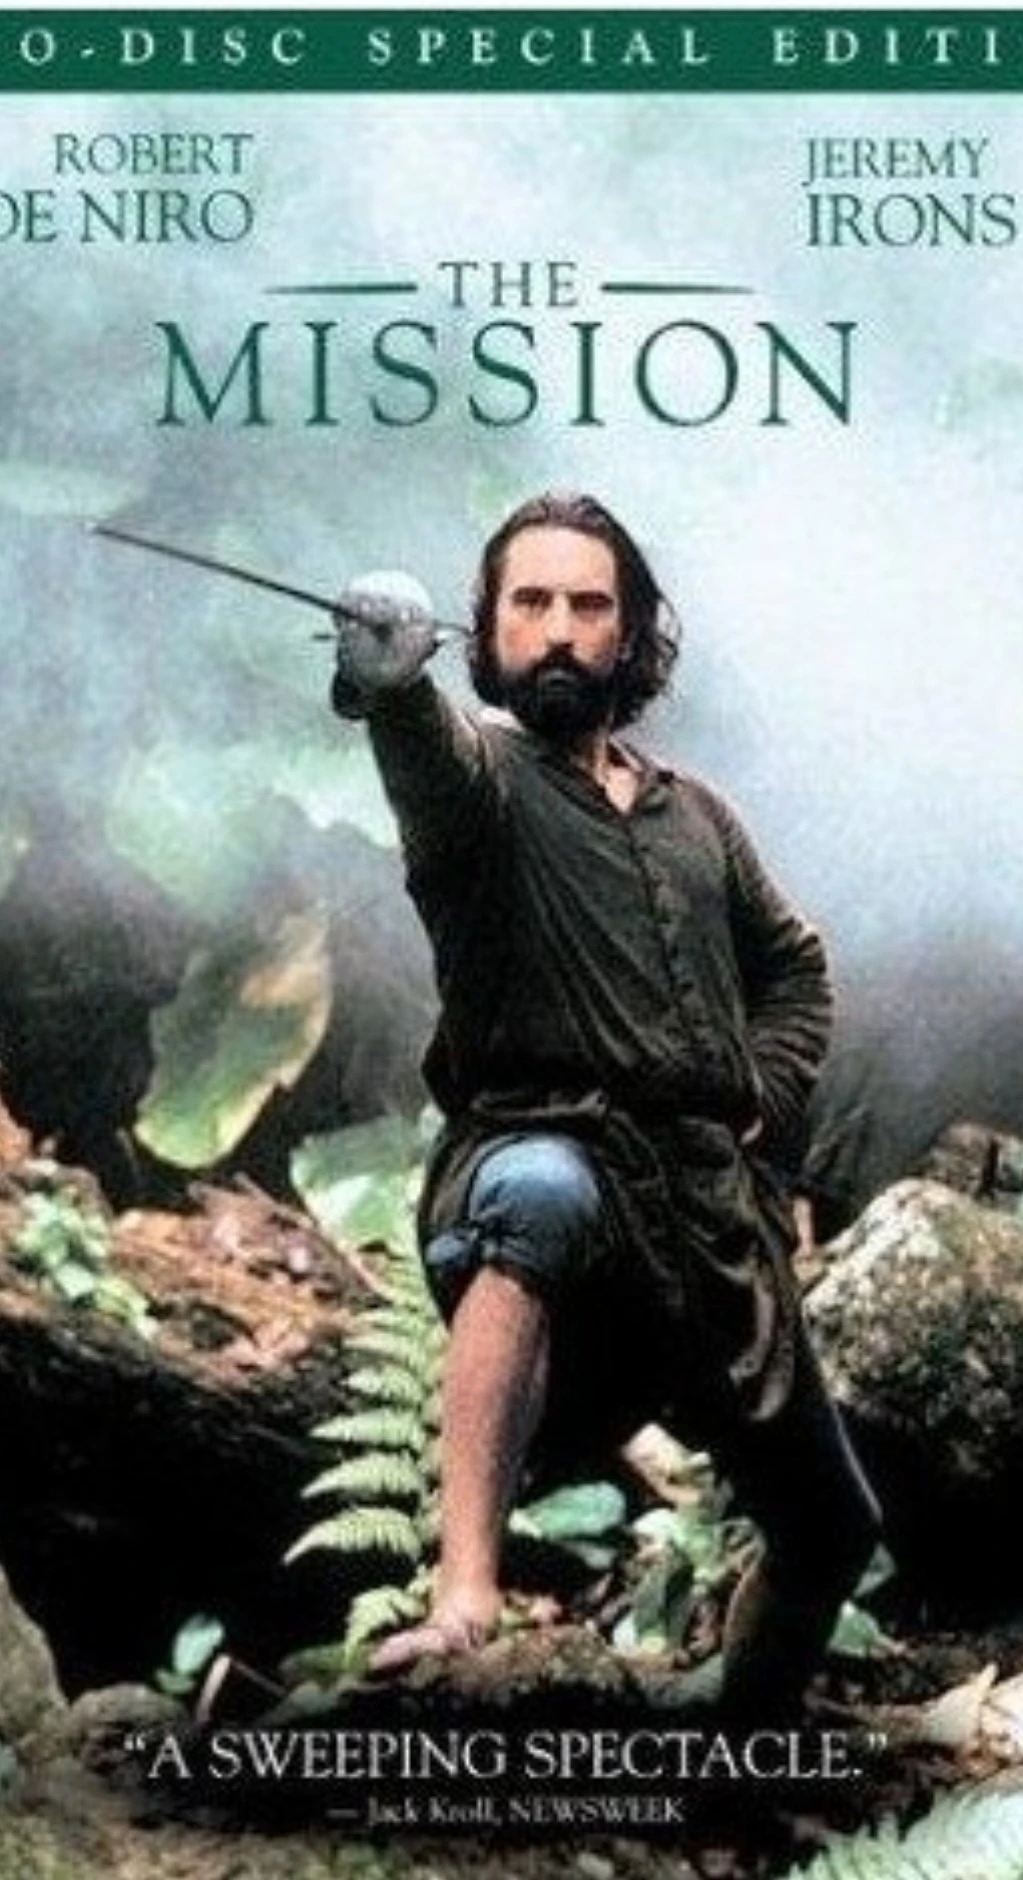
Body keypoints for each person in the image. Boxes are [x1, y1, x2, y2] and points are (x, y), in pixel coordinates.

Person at [330, 491, 880, 1718]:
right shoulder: (479, 782)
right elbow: (421, 745)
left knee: (832, 1528)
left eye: (590, 604)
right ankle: (465, 1590)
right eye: (531, 602)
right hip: (542, 1161)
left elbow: (795, 965)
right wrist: (393, 682)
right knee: (537, 1190)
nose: (561, 629)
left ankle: (732, 1762)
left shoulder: (700, 816)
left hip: (706, 1213)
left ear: (630, 634)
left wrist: (761, 1095)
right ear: (488, 627)